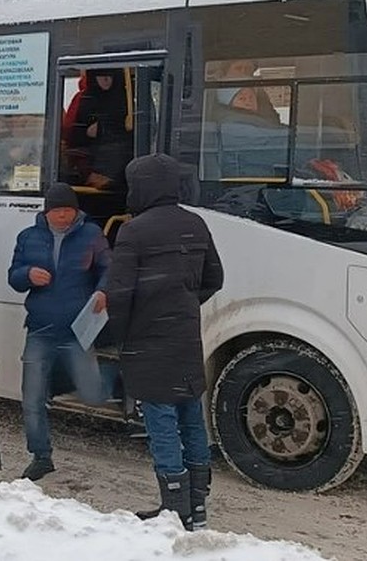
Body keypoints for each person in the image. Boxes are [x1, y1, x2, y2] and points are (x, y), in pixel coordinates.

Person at [105, 153, 225, 531]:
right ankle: (198, 506)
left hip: (148, 339)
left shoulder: (134, 230)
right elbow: (214, 279)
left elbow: (119, 292)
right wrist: (184, 302)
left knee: (160, 422)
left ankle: (174, 507)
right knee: (191, 417)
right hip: (186, 336)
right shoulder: (196, 223)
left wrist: (118, 333)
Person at [7, 182, 110, 481]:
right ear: (46, 212)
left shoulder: (91, 235)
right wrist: (26, 275)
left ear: (76, 211)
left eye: (68, 211)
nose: (63, 217)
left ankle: (114, 380)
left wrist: (103, 290)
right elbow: (13, 276)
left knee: (92, 393)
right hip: (40, 327)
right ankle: (41, 456)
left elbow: (109, 267)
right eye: (57, 211)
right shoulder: (28, 237)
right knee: (32, 397)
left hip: (77, 329)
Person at [68, 68, 132, 189]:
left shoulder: (128, 99)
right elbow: (73, 140)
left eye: (110, 74)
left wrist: (104, 129)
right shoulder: (86, 100)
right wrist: (87, 174)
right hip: (93, 174)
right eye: (100, 75)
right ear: (93, 77)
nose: (106, 79)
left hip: (124, 173)